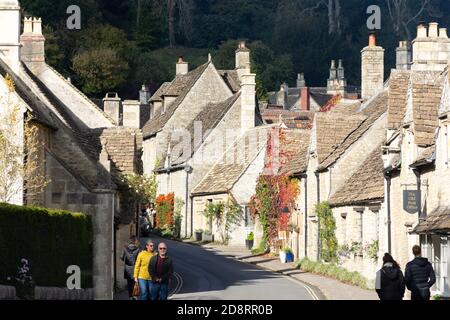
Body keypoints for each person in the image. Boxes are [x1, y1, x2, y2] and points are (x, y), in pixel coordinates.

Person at [121, 236, 141, 300]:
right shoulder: (138, 249)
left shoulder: (125, 249)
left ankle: (130, 297)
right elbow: (139, 259)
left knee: (129, 284)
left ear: (129, 241)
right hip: (135, 268)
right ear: (135, 241)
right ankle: (135, 296)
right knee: (135, 283)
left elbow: (121, 258)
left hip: (127, 268)